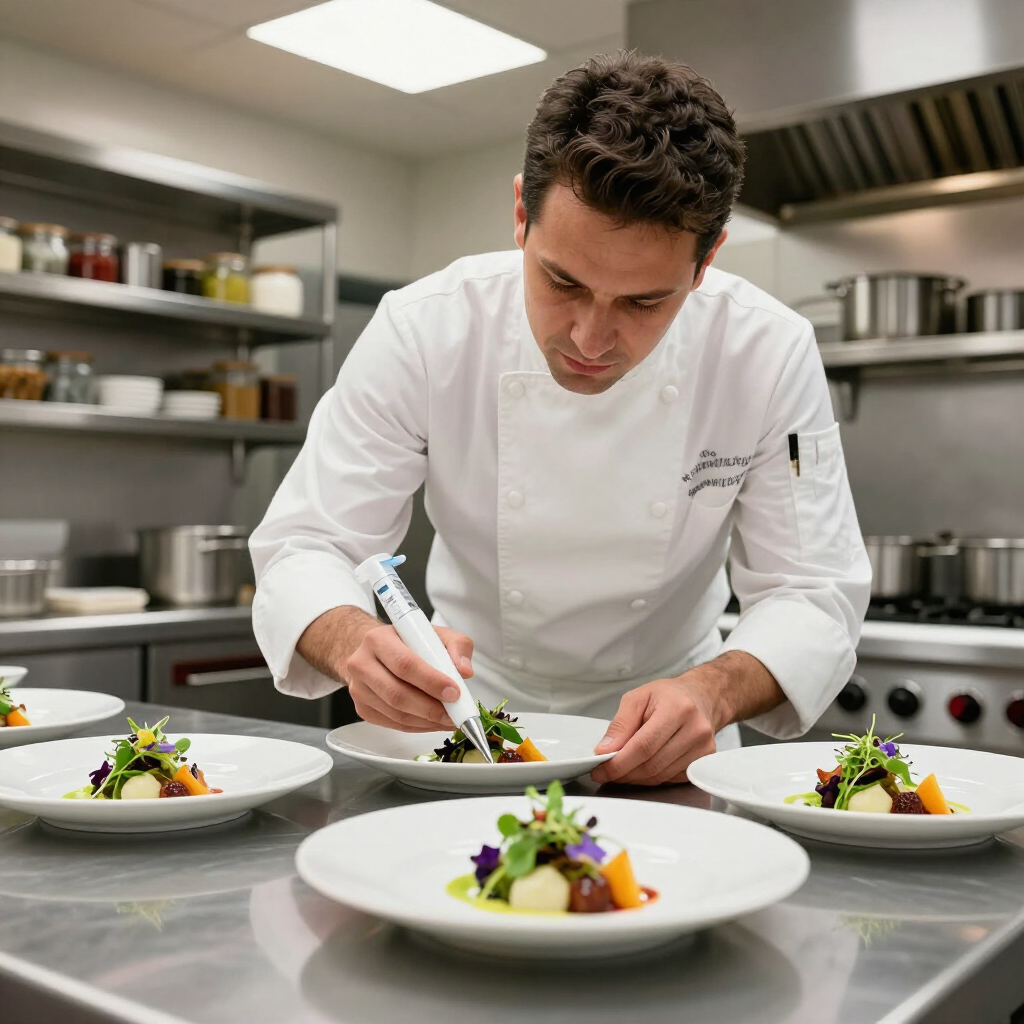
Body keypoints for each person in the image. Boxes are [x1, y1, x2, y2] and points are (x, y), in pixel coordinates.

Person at [249, 50, 871, 786]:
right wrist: (357, 642)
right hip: (470, 734)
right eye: (562, 281)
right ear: (520, 214)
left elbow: (812, 587)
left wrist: (713, 690)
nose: (589, 339)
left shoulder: (766, 350)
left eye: (644, 302)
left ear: (706, 265)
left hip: (669, 745)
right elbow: (310, 541)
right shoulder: (424, 329)